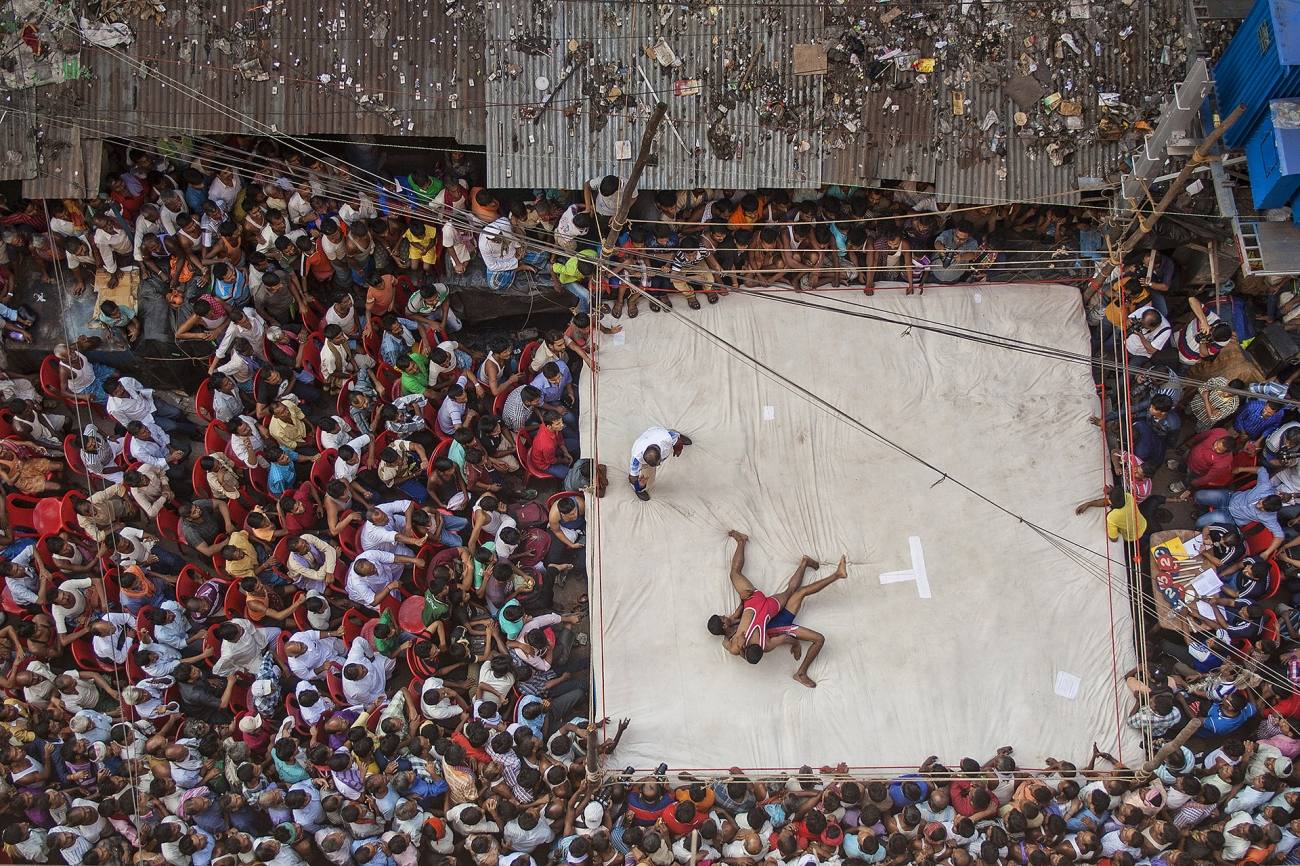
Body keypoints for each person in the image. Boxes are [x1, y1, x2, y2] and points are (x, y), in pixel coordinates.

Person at [708, 530, 848, 688]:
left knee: (737, 575)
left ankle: (743, 542)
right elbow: (784, 637)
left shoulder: (749, 643)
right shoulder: (753, 644)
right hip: (767, 609)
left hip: (757, 604)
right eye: (723, 618)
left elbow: (728, 642)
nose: (725, 616)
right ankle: (817, 567)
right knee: (794, 592)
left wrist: (736, 626)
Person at [628, 426, 693, 501]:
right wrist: (639, 485)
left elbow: (676, 439)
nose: (659, 465)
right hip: (649, 440)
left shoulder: (667, 437)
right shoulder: (636, 457)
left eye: (658, 463)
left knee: (675, 436)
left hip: (658, 432)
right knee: (647, 480)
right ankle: (639, 491)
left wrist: (678, 448)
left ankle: (679, 435)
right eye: (656, 465)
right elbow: (632, 477)